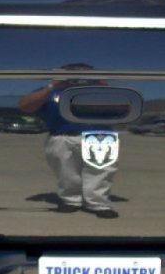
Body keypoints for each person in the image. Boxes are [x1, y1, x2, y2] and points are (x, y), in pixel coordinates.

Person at [19, 64, 119, 219]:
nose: (78, 78)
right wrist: (52, 86)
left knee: (101, 171)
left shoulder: (100, 91)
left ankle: (98, 204)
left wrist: (102, 85)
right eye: (72, 74)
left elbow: (123, 105)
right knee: (65, 171)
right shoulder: (51, 91)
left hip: (100, 135)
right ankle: (70, 200)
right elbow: (25, 106)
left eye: (84, 75)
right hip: (61, 135)